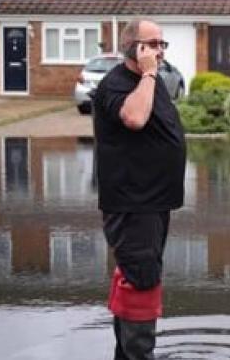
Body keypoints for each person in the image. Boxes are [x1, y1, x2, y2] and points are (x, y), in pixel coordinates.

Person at [92, 19, 186, 360]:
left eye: (162, 44)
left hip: (153, 202)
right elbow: (134, 118)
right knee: (142, 279)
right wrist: (147, 74)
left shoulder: (152, 81)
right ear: (132, 47)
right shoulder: (116, 84)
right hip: (133, 204)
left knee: (138, 274)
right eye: (152, 44)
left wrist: (151, 76)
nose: (159, 51)